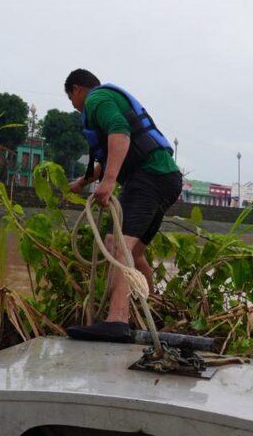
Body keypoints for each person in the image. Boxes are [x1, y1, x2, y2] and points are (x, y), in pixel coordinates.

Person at [63, 69, 182, 342]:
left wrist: (108, 182)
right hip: (166, 178)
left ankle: (117, 319)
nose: (73, 105)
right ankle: (147, 309)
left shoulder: (96, 100)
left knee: (118, 244)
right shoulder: (108, 99)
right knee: (135, 252)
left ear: (78, 90)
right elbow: (112, 152)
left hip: (148, 177)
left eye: (71, 98)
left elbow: (120, 132)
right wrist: (82, 182)